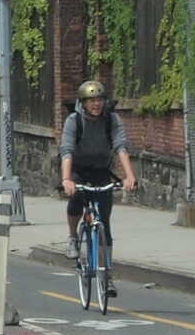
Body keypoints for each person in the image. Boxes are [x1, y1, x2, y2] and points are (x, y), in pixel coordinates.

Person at [59, 79, 138, 258]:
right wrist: (66, 179)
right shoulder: (74, 120)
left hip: (101, 168)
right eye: (91, 100)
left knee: (104, 221)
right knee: (77, 198)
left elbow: (121, 146)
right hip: (77, 168)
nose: (96, 104)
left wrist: (129, 176)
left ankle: (106, 277)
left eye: (99, 100)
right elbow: (67, 150)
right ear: (83, 103)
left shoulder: (112, 119)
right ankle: (72, 237)